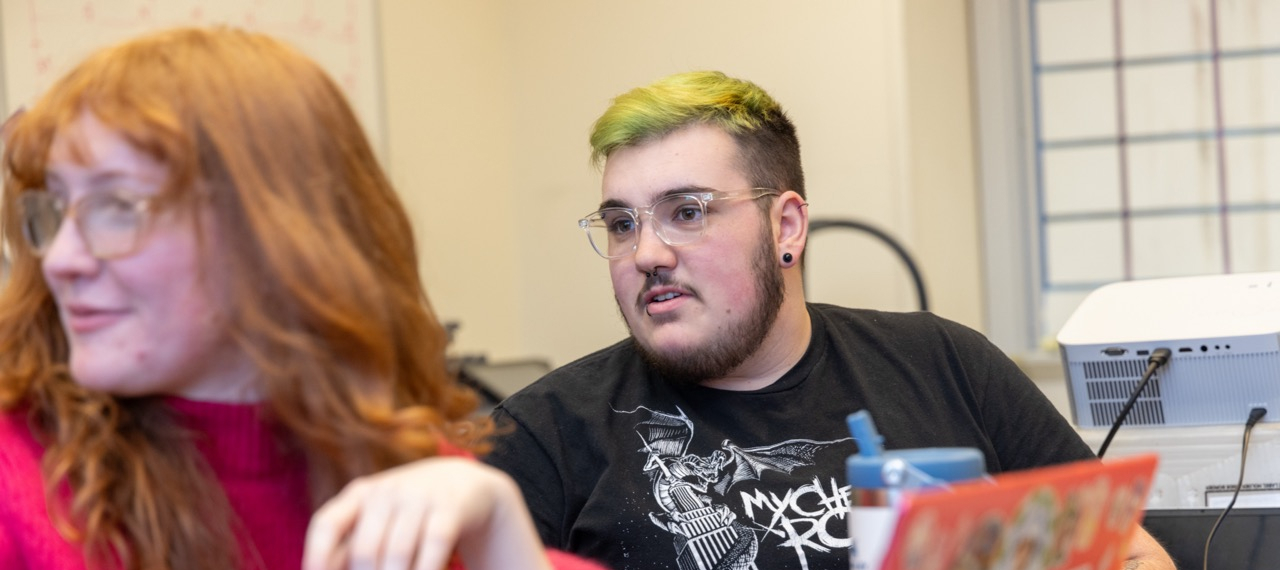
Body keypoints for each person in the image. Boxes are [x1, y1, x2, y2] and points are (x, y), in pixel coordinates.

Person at [482, 70, 1174, 570]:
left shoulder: (945, 365)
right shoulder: (545, 435)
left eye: (686, 212)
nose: (647, 253)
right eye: (621, 223)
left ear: (785, 225)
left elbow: (1134, 554)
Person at [0, 27, 605, 570]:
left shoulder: (391, 463)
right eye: (54, 210)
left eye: (114, 208)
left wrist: (507, 546)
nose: (58, 260)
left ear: (269, 233)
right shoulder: (19, 479)